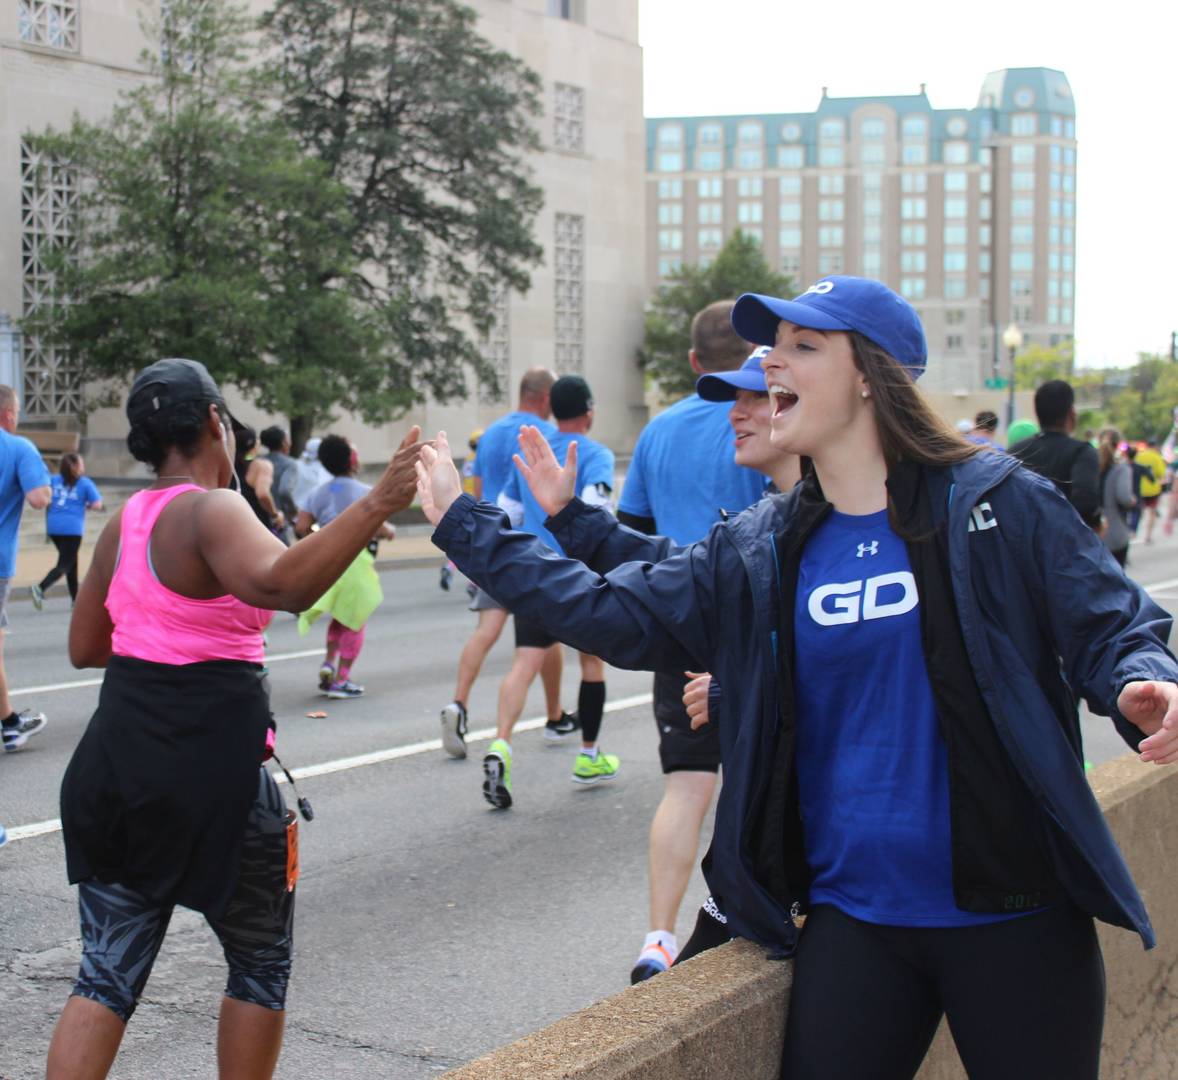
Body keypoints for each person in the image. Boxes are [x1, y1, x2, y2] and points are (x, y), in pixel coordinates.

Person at [418, 275, 1178, 1080]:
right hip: (855, 924)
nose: (772, 364)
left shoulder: (997, 502)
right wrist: (467, 526)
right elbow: (614, 610)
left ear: (871, 376)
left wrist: (1142, 682)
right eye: (772, 347)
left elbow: (1111, 620)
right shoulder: (763, 542)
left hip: (1014, 916)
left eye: (802, 346)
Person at [47, 357, 423, 1079]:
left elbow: (85, 647)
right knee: (258, 964)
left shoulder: (124, 523)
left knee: (105, 977)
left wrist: (165, 642)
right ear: (215, 421)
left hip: (116, 776)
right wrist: (379, 501)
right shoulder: (212, 510)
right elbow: (283, 585)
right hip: (216, 786)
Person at [612, 301, 768, 981]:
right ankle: (749, 917)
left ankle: (658, 938)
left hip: (682, 623)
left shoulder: (659, 431)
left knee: (685, 786)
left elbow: (631, 534)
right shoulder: (771, 420)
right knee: (761, 781)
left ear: (695, 362)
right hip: (757, 621)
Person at [484, 374, 616, 808]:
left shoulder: (533, 453)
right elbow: (598, 511)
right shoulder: (594, 454)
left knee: (524, 663)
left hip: (534, 572)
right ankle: (589, 755)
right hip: (578, 576)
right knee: (592, 663)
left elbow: (507, 512)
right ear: (589, 412)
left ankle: (501, 743)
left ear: (552, 410)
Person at [439, 368, 573, 760]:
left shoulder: (491, 433)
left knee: (486, 631)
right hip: (535, 549)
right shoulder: (545, 435)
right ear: (546, 398)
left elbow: (480, 493)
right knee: (541, 640)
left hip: (493, 545)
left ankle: (459, 703)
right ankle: (546, 720)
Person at [294, 435, 393, 700]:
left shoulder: (318, 493)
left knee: (339, 616)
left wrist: (319, 539)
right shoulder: (364, 491)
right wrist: (388, 532)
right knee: (355, 619)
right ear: (352, 460)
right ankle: (341, 680)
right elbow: (380, 526)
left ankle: (328, 663)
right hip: (354, 561)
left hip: (327, 561)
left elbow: (301, 526)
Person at [0, 384, 51, 757]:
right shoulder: (18, 448)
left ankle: (9, 722)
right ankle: (9, 725)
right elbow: (38, 498)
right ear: (8, 414)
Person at [1008, 380, 1101, 531]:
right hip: (1066, 539)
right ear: (1071, 413)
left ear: (1037, 414)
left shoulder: (1014, 452)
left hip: (1020, 537)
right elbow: (1086, 503)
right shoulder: (1082, 453)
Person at [32, 452, 103, 609]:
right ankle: (40, 587)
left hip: (54, 527)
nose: (83, 466)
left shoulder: (53, 480)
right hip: (72, 529)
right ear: (76, 467)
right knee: (65, 564)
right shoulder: (85, 483)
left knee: (71, 562)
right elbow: (97, 504)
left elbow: (44, 496)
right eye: (81, 464)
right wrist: (88, 506)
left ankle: (75, 600)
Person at [235, 424, 285, 536]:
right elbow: (262, 494)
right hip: (258, 526)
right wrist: (275, 515)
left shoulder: (228, 466)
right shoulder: (261, 465)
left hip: (233, 523)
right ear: (254, 444)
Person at [1098, 431, 1135, 568]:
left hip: (1090, 534)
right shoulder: (1121, 469)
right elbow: (1124, 497)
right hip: (1114, 531)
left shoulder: (1088, 467)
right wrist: (1133, 500)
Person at [258, 426, 300, 542]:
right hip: (278, 520)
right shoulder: (289, 464)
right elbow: (285, 491)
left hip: (256, 517)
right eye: (288, 440)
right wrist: (293, 511)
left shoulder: (258, 460)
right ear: (283, 443)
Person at [1132, 439, 1166, 543]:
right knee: (1152, 512)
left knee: (1138, 511)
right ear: (1155, 446)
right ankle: (1148, 536)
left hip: (1139, 489)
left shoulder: (1139, 456)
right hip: (1153, 489)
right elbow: (1161, 473)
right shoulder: (1157, 457)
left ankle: (1134, 533)